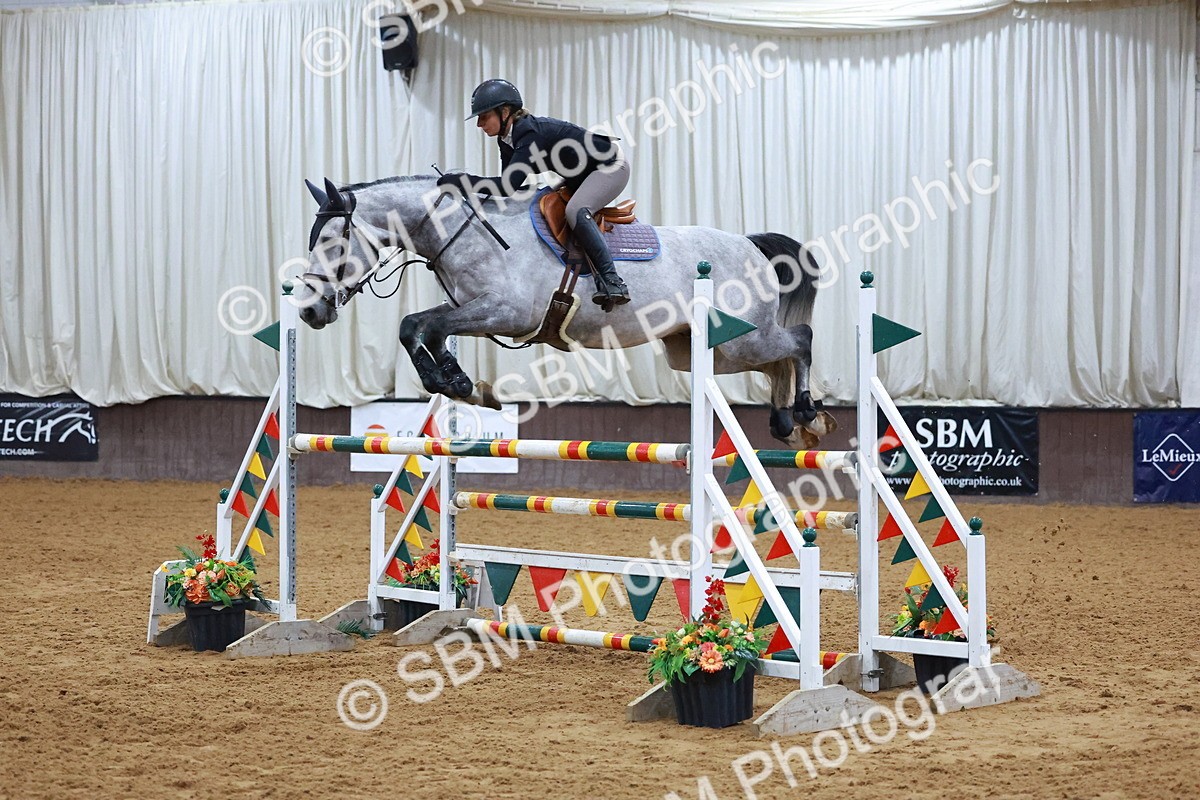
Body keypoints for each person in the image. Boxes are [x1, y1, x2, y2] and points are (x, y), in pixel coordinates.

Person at [437, 78, 631, 310]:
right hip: (578, 174)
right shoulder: (506, 138)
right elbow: (511, 188)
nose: (479, 124)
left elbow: (506, 186)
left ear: (505, 112)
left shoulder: (529, 134)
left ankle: (613, 281)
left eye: (484, 116)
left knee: (576, 210)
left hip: (609, 166)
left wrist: (461, 181)